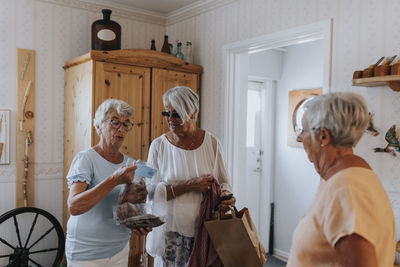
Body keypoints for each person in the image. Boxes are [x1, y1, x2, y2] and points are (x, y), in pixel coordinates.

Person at [288, 92, 396, 267]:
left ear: (323, 136)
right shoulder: (340, 179)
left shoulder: (347, 189)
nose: (299, 138)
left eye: (303, 130)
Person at [145, 86, 236, 266]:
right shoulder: (158, 146)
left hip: (207, 231)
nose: (170, 120)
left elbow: (225, 182)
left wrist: (226, 197)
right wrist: (190, 186)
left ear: (192, 112)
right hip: (171, 235)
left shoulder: (213, 144)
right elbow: (149, 192)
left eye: (176, 114)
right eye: (167, 113)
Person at [65, 99, 150, 266]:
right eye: (114, 122)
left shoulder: (130, 164)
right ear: (98, 127)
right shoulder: (85, 159)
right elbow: (74, 206)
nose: (121, 129)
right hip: (86, 252)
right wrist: (113, 180)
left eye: (126, 124)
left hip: (119, 249)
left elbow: (130, 209)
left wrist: (139, 222)